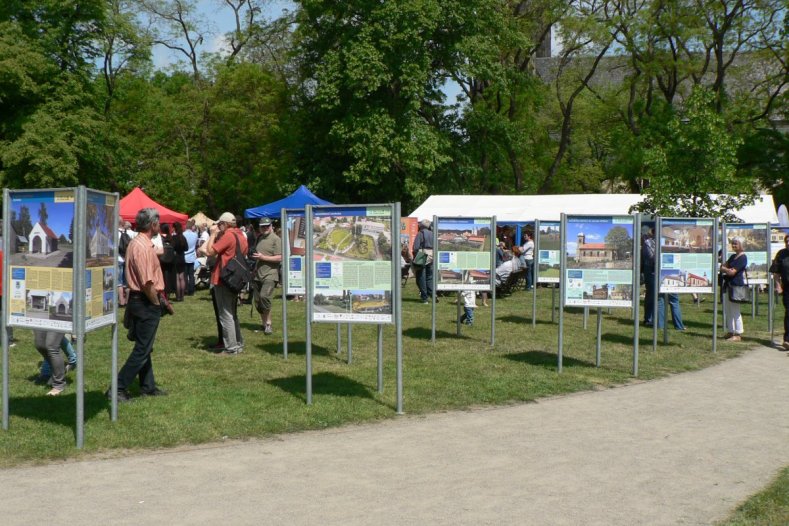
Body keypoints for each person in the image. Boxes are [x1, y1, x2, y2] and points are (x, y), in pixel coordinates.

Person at [107, 207, 169, 402]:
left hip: (141, 300)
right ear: (152, 224)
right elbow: (147, 282)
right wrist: (156, 302)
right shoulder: (141, 247)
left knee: (145, 346)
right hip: (144, 301)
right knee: (142, 349)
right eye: (158, 223)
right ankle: (117, 388)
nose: (159, 226)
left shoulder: (142, 244)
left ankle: (147, 386)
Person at [204, 212, 248, 355]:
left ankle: (231, 348)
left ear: (225, 224)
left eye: (219, 224)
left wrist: (212, 235)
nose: (218, 226)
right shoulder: (241, 235)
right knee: (233, 313)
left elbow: (210, 251)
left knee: (225, 314)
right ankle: (238, 343)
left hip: (223, 278)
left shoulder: (228, 236)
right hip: (235, 279)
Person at [641, 228, 684, 330]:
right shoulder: (652, 242)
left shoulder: (651, 243)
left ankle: (672, 325)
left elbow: (651, 258)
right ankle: (652, 321)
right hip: (657, 272)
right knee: (659, 297)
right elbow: (651, 258)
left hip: (661, 272)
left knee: (667, 298)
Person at [251, 218, 282, 335]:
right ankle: (264, 324)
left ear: (271, 226)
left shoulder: (276, 239)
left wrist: (263, 258)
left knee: (265, 297)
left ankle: (269, 323)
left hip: (270, 274)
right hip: (257, 274)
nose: (265, 228)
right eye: (262, 226)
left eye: (267, 226)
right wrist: (254, 267)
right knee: (258, 301)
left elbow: (280, 257)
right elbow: (256, 255)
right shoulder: (259, 238)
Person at [720, 236, 748, 342]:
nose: (734, 245)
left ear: (741, 244)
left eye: (736, 243)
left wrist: (726, 269)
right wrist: (727, 269)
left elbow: (732, 272)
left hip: (736, 286)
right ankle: (731, 331)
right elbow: (722, 267)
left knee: (735, 310)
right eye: (733, 243)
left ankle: (738, 333)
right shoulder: (732, 256)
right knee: (728, 309)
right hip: (728, 285)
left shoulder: (743, 257)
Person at [33, 331, 67, 396]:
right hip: (41, 320)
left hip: (60, 320)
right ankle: (59, 369)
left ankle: (59, 384)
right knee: (40, 345)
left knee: (52, 347)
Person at [770, 234, 789, 350]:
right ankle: (787, 339)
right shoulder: (781, 254)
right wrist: (778, 286)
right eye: (787, 241)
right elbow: (776, 273)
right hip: (787, 287)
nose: (788, 243)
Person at [412, 219, 434, 303]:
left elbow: (416, 247)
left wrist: (415, 256)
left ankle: (424, 298)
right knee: (429, 277)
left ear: (421, 225)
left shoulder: (420, 234)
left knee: (421, 277)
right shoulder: (432, 234)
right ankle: (432, 294)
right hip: (432, 255)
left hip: (422, 255)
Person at [171, 222, 188, 301]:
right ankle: (182, 296)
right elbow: (186, 248)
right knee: (182, 277)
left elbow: (172, 247)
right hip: (182, 257)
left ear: (175, 228)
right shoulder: (183, 237)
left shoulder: (174, 238)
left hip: (176, 258)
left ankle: (178, 296)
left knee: (177, 278)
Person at [183, 219, 198, 296]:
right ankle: (191, 290)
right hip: (192, 256)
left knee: (185, 275)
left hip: (185, 256)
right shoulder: (195, 235)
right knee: (191, 275)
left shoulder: (183, 234)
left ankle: (185, 289)